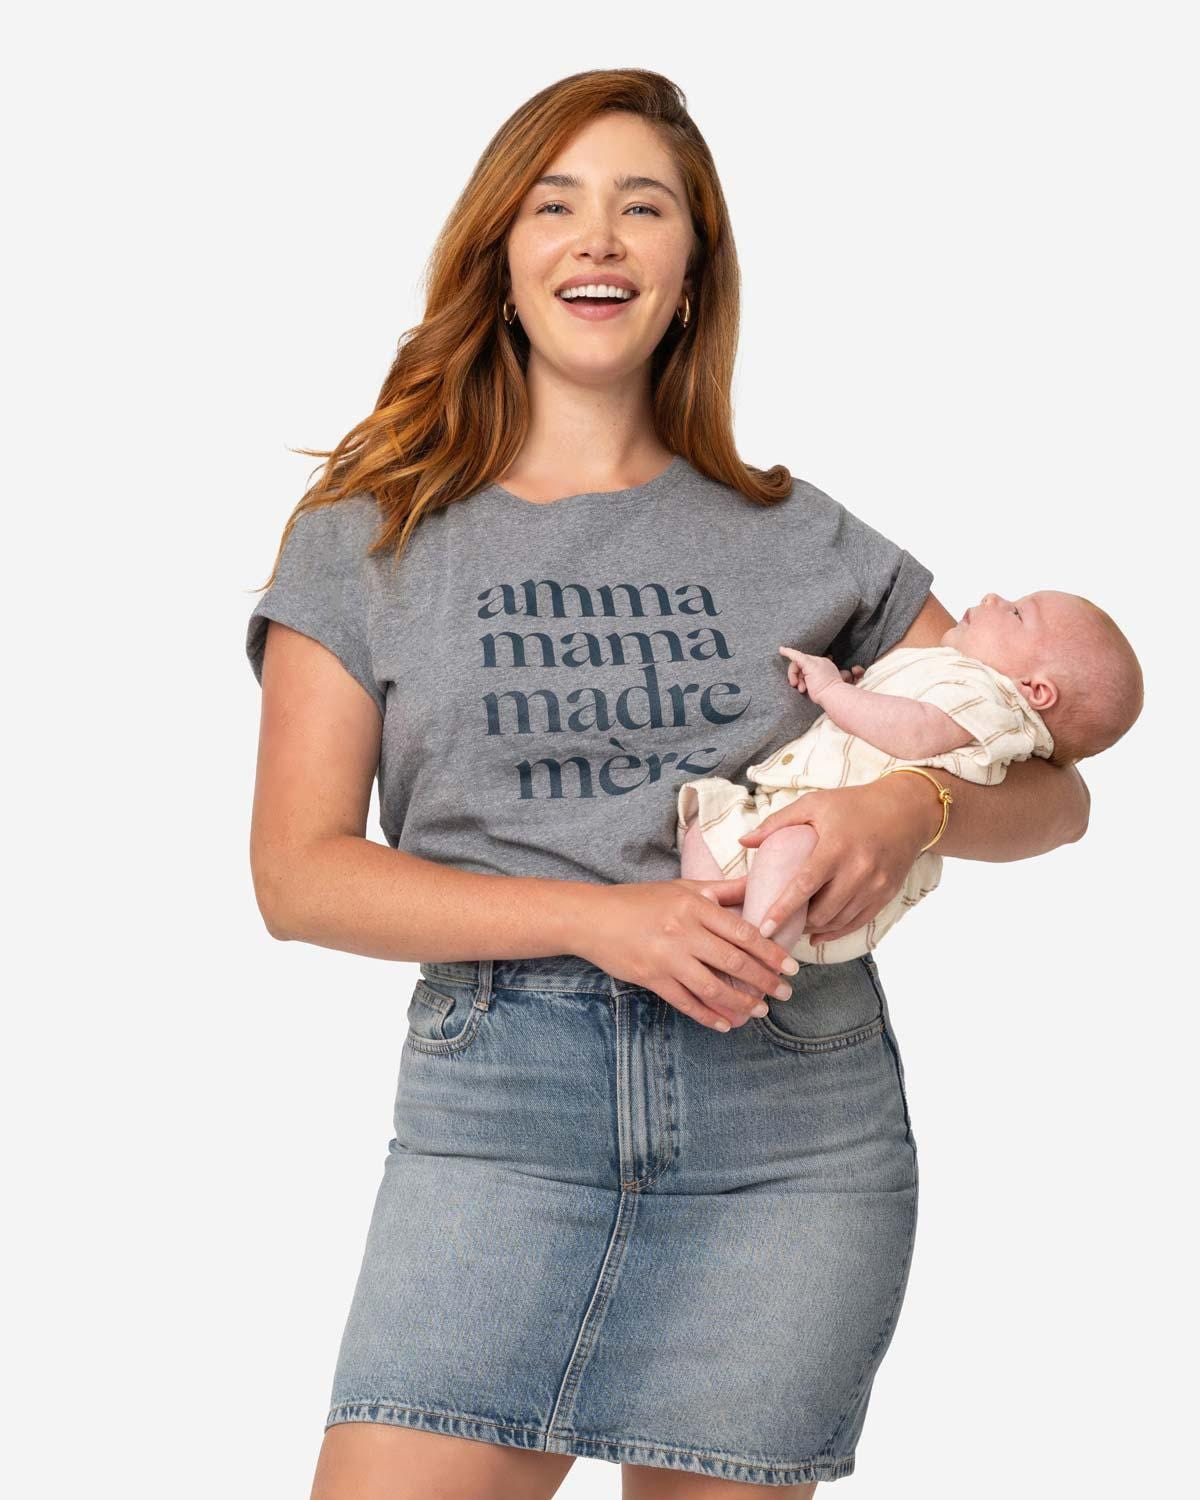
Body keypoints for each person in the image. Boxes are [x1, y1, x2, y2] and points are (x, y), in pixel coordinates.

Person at [244, 70, 1092, 1500]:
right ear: (500, 259)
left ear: (692, 275)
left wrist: (909, 807)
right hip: (503, 1116)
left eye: (645, 208)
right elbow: (298, 876)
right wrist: (599, 921)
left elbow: (1057, 791)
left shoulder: (801, 534)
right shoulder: (367, 541)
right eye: (556, 203)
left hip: (790, 1121)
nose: (600, 239)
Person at [678, 588, 1141, 973]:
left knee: (781, 850)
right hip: (786, 815)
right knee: (706, 817)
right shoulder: (955, 674)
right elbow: (904, 713)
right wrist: (866, 689)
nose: (994, 596)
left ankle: (751, 964)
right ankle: (723, 933)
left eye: (1018, 613)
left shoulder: (995, 701)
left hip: (834, 858)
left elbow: (918, 731)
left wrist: (833, 692)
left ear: (1035, 690)